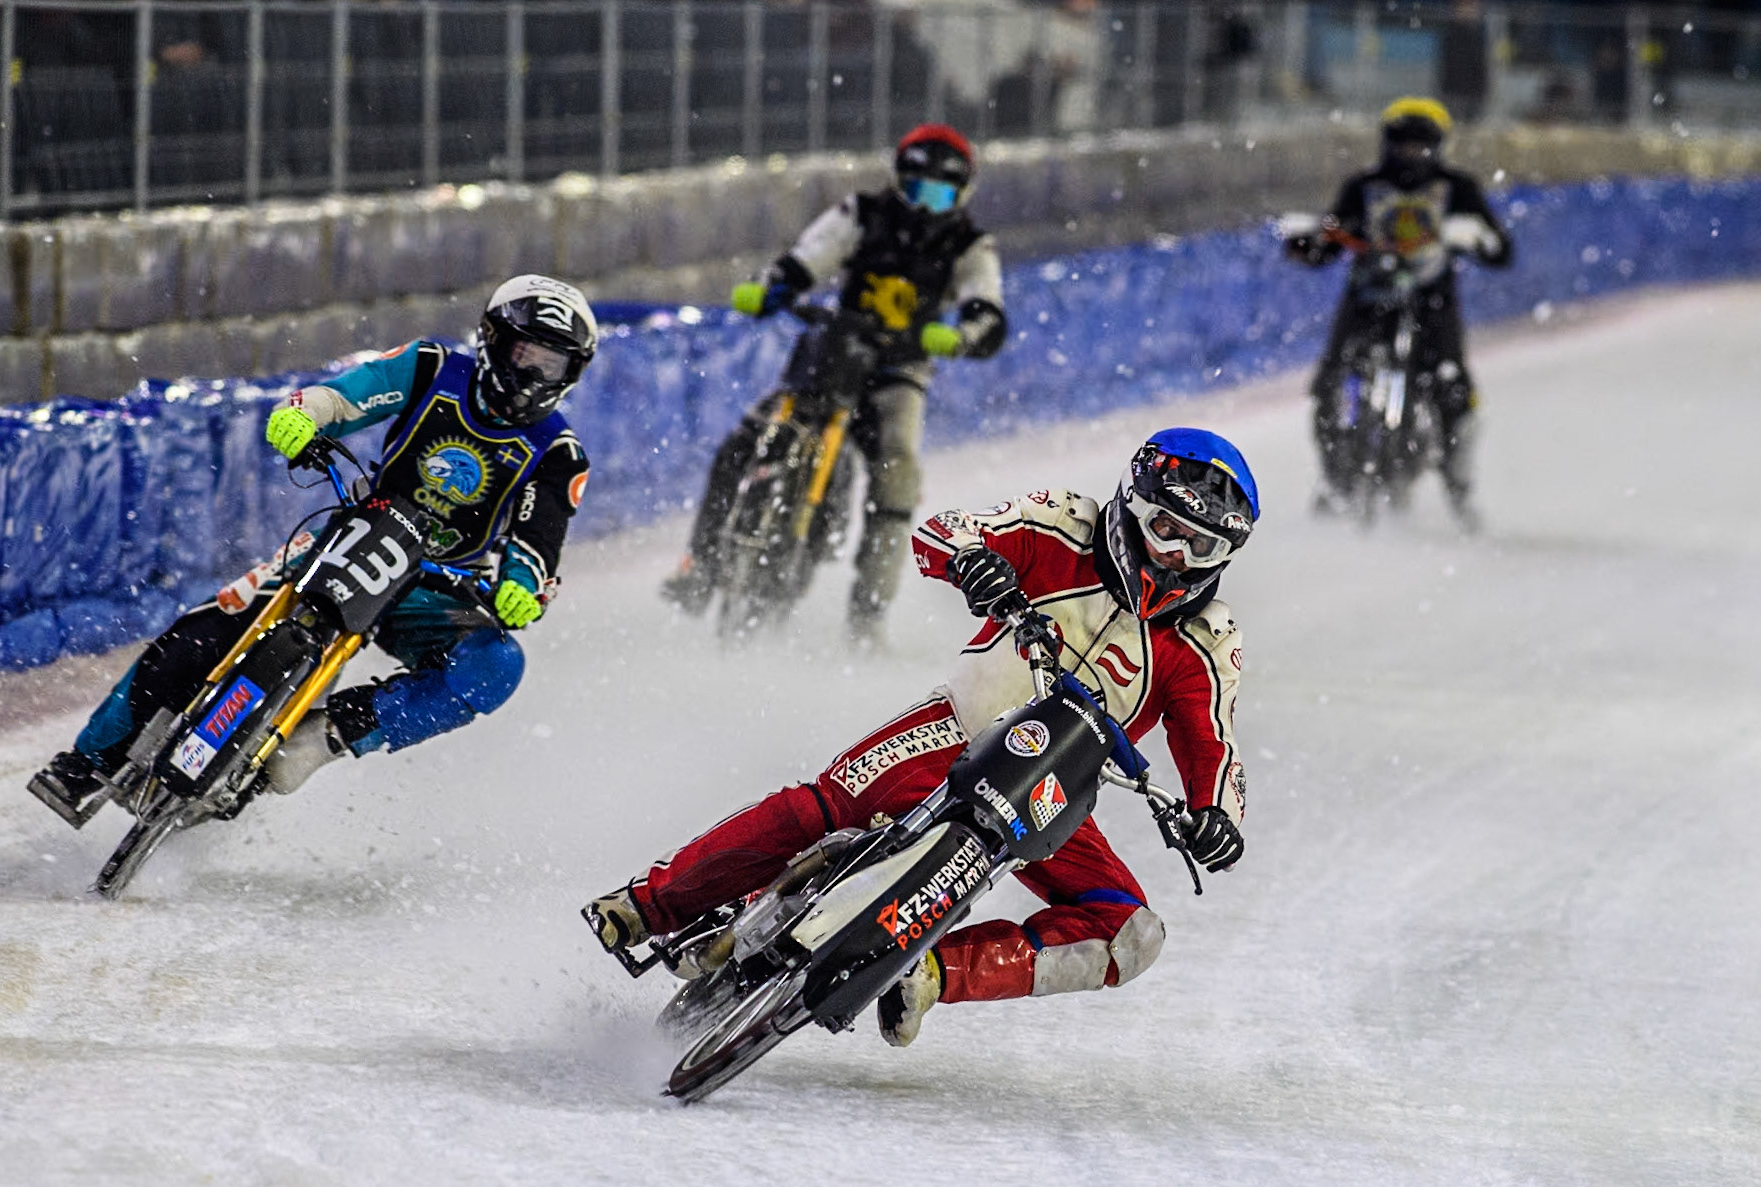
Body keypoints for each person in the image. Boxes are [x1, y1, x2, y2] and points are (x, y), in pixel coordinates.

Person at [590, 427, 1255, 1047]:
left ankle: (930, 971)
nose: (1174, 554)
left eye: (1201, 546)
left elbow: (1213, 743)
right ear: (1133, 502)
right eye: (1167, 527)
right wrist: (971, 561)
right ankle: (649, 904)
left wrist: (1216, 816)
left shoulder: (1207, 637)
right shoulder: (1063, 521)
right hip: (956, 728)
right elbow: (947, 530)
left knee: (1130, 931)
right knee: (826, 803)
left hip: (1053, 792)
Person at [29, 276, 597, 822]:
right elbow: (349, 395)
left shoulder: (560, 454)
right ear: (494, 340)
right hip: (356, 536)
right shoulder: (430, 367)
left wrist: (524, 586)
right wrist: (306, 413)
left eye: (553, 364)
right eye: (528, 354)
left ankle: (326, 737)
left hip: (435, 586)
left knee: (496, 666)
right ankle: (89, 760)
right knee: (214, 619)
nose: (534, 374)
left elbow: (538, 543)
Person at [661, 123, 1008, 643]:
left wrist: (961, 336)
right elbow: (812, 254)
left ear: (962, 194)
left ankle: (867, 617)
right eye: (917, 188)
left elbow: (986, 305)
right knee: (741, 443)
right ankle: (702, 569)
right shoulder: (862, 213)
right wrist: (776, 288)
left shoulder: (971, 245)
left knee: (898, 471)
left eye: (940, 192)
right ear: (898, 182)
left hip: (900, 370)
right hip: (835, 351)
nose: (926, 204)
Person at [1286, 97, 1512, 528]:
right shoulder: (1363, 187)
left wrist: (1476, 237)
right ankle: (1336, 478)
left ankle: (1458, 487)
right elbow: (1330, 240)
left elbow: (1500, 250)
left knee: (1453, 392)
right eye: (1403, 144)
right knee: (1331, 385)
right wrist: (1310, 243)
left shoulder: (1457, 188)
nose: (1411, 154)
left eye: (1420, 145)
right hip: (1368, 302)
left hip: (1432, 304)